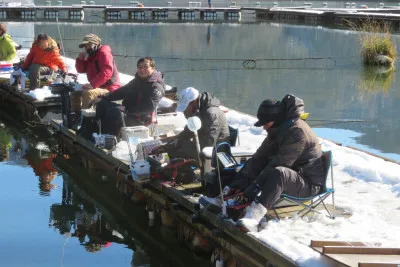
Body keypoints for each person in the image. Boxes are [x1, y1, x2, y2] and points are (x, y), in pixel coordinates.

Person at [200, 94, 326, 232]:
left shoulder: (297, 133)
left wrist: (255, 185)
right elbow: (259, 157)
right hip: (294, 176)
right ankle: (224, 199)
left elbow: (281, 163)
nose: (264, 127)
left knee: (279, 172)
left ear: (276, 120)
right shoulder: (278, 130)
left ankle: (253, 218)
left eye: (266, 123)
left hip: (308, 184)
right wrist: (238, 182)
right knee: (253, 163)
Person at [91, 57, 165, 137]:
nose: (142, 70)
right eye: (140, 67)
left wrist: (127, 111)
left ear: (152, 68)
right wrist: (103, 97)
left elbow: (149, 107)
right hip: (128, 111)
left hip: (141, 119)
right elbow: (122, 91)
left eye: (145, 67)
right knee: (102, 104)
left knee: (115, 112)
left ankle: (109, 138)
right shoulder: (138, 80)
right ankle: (98, 133)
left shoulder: (156, 86)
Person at [167, 87, 230, 162]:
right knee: (173, 147)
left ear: (193, 102)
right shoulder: (200, 108)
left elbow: (209, 143)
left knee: (177, 152)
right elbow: (190, 129)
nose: (185, 111)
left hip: (216, 149)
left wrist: (183, 143)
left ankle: (183, 172)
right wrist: (177, 139)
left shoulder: (211, 113)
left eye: (186, 108)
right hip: (203, 143)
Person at [71, 33, 120, 112]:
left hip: (110, 88)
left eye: (88, 45)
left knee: (88, 93)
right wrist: (80, 60)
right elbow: (81, 70)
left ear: (95, 44)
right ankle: (75, 115)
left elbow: (106, 73)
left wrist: (92, 84)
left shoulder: (104, 53)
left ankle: (86, 119)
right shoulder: (92, 55)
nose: (86, 48)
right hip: (99, 86)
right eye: (85, 46)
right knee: (75, 92)